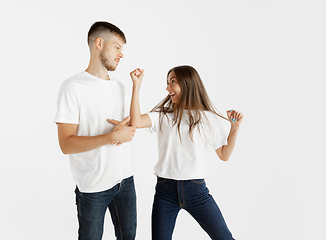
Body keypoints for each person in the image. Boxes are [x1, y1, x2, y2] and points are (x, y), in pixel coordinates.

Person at [130, 66, 242, 239]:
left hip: (197, 192)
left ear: (188, 84)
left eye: (172, 82)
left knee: (224, 237)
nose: (168, 88)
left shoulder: (208, 119)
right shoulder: (162, 116)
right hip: (165, 192)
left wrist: (234, 128)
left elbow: (224, 155)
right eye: (167, 83)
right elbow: (136, 121)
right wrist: (136, 85)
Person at [54, 21, 137, 240]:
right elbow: (66, 144)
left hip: (125, 181)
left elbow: (124, 130)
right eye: (117, 47)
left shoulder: (120, 87)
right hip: (93, 188)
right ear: (99, 43)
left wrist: (127, 132)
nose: (121, 55)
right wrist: (112, 137)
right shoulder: (72, 87)